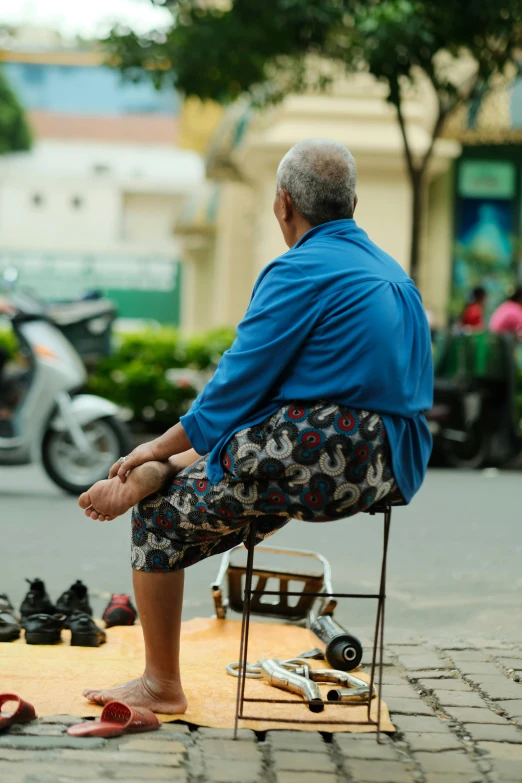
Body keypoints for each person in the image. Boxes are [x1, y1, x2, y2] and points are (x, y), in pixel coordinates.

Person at [78, 138, 434, 714]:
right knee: (257, 437)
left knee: (158, 520)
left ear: (283, 205)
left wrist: (157, 442)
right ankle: (167, 472)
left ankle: (161, 684)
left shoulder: (300, 270)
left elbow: (234, 389)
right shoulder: (397, 278)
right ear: (354, 203)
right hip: (392, 463)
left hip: (318, 450)